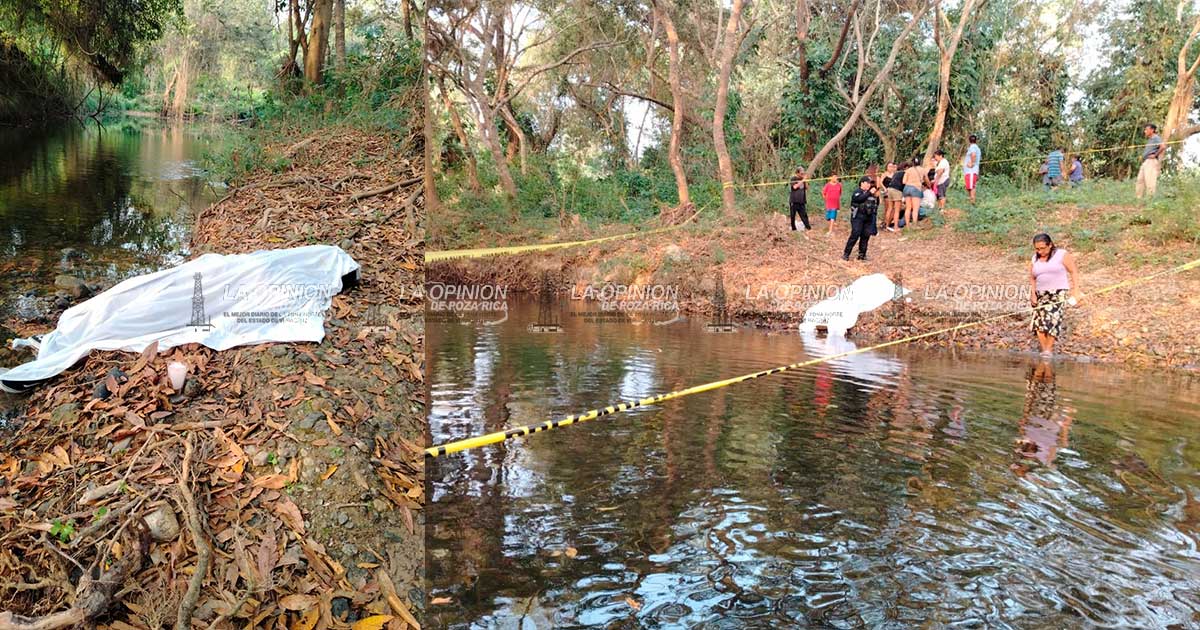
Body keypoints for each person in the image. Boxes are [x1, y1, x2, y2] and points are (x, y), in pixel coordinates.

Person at [1029, 233, 1081, 357]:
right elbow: (1032, 278)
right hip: (1040, 293)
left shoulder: (1061, 254)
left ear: (1050, 245)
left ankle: (1048, 349)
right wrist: (1033, 294)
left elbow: (1073, 271)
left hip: (1058, 292)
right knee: (1039, 322)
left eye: (1042, 248)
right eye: (1037, 248)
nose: (1040, 251)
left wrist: (1076, 290)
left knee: (1054, 319)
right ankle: (1045, 350)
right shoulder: (1034, 258)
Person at [842, 176, 879, 261]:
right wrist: (869, 193)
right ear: (862, 183)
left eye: (870, 183)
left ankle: (862, 255)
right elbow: (859, 199)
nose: (869, 185)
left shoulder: (871, 193)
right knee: (855, 234)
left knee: (865, 236)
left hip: (868, 217)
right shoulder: (857, 192)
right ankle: (846, 254)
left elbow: (876, 204)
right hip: (858, 217)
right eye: (867, 183)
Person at [1137, 123, 1165, 200]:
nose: (1145, 131)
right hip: (1146, 161)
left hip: (1151, 162)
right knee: (1140, 180)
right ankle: (1139, 199)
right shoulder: (1150, 140)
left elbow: (1163, 146)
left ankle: (1150, 199)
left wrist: (1155, 155)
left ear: (1152, 130)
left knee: (1150, 181)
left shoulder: (1156, 137)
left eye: (1146, 129)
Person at [901, 157, 924, 233]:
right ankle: (914, 225)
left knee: (908, 208)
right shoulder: (922, 169)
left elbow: (904, 181)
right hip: (916, 188)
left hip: (907, 188)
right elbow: (925, 179)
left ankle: (907, 226)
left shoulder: (908, 170)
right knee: (915, 209)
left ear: (912, 163)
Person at [883, 161, 905, 231]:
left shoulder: (895, 174)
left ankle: (886, 225)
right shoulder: (904, 173)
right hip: (897, 190)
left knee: (890, 208)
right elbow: (904, 182)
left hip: (889, 189)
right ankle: (895, 227)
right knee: (897, 210)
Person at [788, 166, 811, 232]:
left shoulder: (803, 179)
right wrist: (802, 180)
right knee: (793, 215)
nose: (802, 174)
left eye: (803, 173)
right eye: (801, 173)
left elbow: (806, 188)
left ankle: (808, 227)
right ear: (797, 173)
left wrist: (805, 180)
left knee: (804, 215)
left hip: (802, 200)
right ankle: (793, 229)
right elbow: (795, 187)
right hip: (794, 200)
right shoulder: (793, 178)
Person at [962, 134, 981, 203]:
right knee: (970, 186)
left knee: (971, 186)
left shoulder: (972, 147)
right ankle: (971, 200)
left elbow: (973, 154)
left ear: (969, 141)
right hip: (971, 171)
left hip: (971, 171)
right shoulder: (976, 147)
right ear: (976, 141)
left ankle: (972, 201)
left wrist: (972, 163)